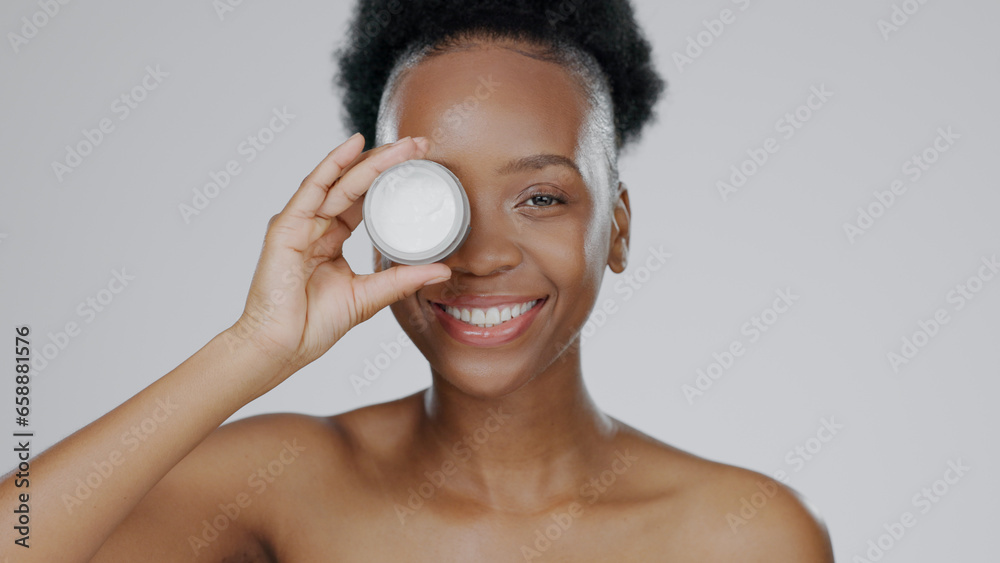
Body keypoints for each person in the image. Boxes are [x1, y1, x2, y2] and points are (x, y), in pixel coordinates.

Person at [2, 0, 834, 560]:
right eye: (434, 200)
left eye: (540, 196)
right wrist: (253, 347)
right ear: (373, 216)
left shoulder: (741, 533)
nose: (481, 254)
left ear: (615, 226)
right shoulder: (285, 484)